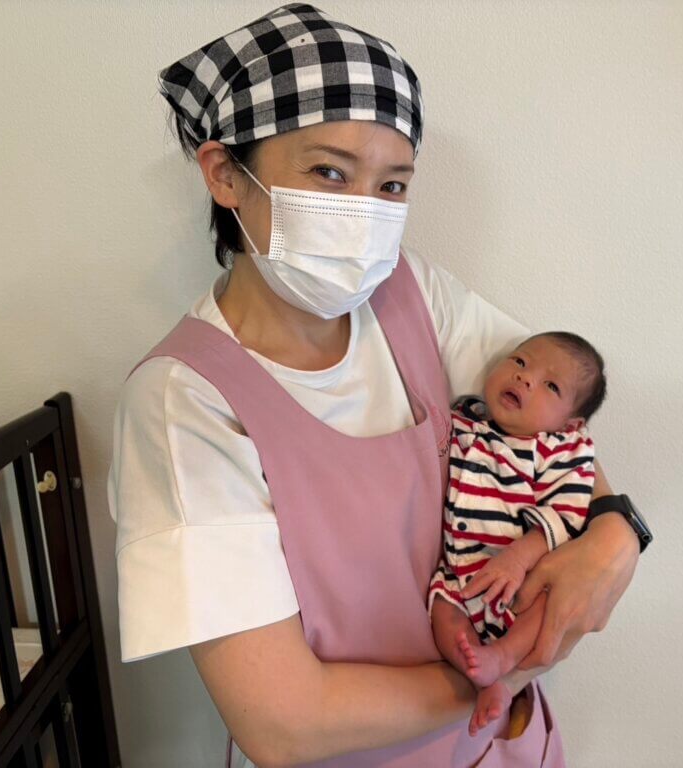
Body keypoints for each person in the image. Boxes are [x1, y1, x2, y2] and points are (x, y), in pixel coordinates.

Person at [108, 4, 645, 766]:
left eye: (392, 184)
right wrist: (501, 675)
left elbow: (554, 420)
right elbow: (284, 723)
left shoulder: (411, 294)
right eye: (329, 172)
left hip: (500, 749)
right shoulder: (183, 403)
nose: (364, 212)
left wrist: (617, 533)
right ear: (225, 173)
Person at [429, 332, 606, 737]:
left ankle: (503, 661)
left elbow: (568, 515)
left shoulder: (560, 451)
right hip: (463, 579)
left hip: (524, 584)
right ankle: (477, 670)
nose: (525, 378)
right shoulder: (464, 421)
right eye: (521, 362)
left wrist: (520, 557)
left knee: (551, 605)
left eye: (551, 385)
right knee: (441, 609)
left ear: (570, 423)